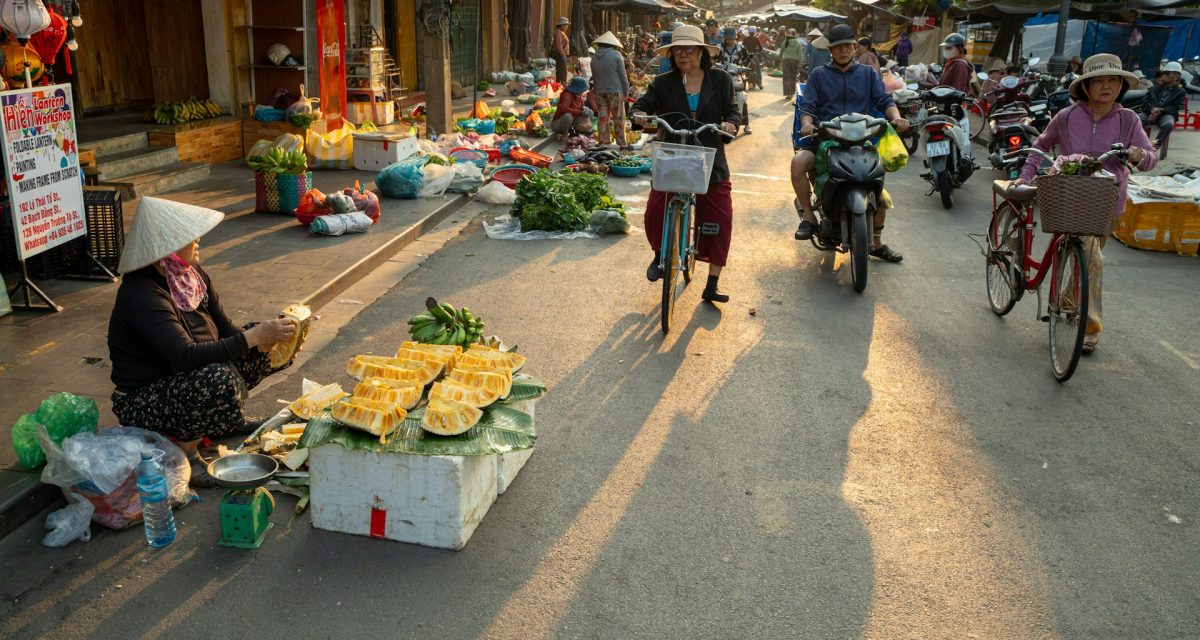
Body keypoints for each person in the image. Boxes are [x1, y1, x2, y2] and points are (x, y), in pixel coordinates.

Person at [107, 197, 298, 487]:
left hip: (184, 380)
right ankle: (185, 454)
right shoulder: (142, 293)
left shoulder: (194, 276)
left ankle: (223, 423)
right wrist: (253, 337)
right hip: (144, 400)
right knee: (215, 377)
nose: (197, 240)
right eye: (188, 236)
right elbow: (184, 356)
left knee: (258, 346)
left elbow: (227, 330)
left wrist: (267, 338)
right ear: (166, 250)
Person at [1014, 53, 1156, 354]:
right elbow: (1040, 145)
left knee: (1087, 260)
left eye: (1113, 80)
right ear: (1086, 87)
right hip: (1067, 198)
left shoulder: (1129, 120)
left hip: (1106, 203)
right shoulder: (1066, 116)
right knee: (1091, 259)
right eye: (1099, 81)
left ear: (1121, 85)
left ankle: (1067, 300)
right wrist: (1025, 176)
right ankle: (1090, 327)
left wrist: (1138, 155)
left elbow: (1150, 157)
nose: (1106, 86)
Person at [632, 24, 740, 303]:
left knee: (720, 216)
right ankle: (660, 254)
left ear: (702, 52)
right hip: (673, 155)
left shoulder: (721, 80)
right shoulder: (663, 82)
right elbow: (643, 104)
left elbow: (733, 112)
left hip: (709, 157)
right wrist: (639, 114)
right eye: (677, 50)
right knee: (656, 207)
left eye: (689, 50)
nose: (683, 55)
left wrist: (730, 123)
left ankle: (712, 283)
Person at [790, 24, 908, 263]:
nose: (843, 50)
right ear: (830, 50)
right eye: (837, 47)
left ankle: (875, 242)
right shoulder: (818, 75)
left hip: (860, 140)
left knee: (878, 180)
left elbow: (884, 100)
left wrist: (896, 117)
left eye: (847, 46)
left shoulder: (867, 74)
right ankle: (809, 218)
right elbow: (808, 107)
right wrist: (807, 123)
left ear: (854, 47)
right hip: (825, 138)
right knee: (798, 163)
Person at [591, 31, 632, 148]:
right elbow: (622, 74)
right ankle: (621, 142)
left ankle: (603, 141)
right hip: (615, 90)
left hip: (600, 91)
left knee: (602, 116)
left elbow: (594, 77)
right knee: (618, 116)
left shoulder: (594, 58)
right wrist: (626, 90)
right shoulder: (616, 54)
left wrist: (596, 89)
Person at [1140, 61, 1186, 158]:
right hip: (1149, 112)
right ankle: (1133, 146)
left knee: (1168, 124)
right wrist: (1152, 109)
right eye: (1164, 73)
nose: (1164, 75)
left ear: (1176, 77)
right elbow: (1145, 102)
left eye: (1167, 73)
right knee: (1136, 120)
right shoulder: (1154, 88)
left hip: (1165, 115)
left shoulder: (1180, 92)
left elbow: (1176, 107)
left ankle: (1153, 149)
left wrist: (1160, 110)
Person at [779, 28, 806, 100]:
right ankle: (791, 93)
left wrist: (778, 61)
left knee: (786, 77)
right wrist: (801, 64)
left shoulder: (785, 42)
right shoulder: (798, 43)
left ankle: (788, 93)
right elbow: (800, 55)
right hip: (795, 61)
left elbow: (781, 53)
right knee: (793, 77)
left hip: (786, 61)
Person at [552, 17, 571, 84]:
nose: (567, 26)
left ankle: (561, 85)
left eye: (567, 25)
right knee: (562, 72)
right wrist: (563, 55)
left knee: (562, 71)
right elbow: (559, 46)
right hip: (560, 55)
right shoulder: (558, 32)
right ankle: (562, 85)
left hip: (562, 54)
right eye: (565, 25)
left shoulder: (561, 32)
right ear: (561, 25)